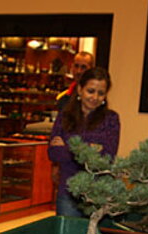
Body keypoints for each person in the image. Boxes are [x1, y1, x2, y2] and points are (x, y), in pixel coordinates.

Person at [48, 67, 120, 217]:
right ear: (80, 90)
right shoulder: (64, 117)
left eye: (101, 93)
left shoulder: (111, 119)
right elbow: (53, 153)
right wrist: (90, 149)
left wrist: (67, 148)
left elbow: (107, 157)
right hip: (68, 192)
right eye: (90, 91)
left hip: (98, 194)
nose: (95, 97)